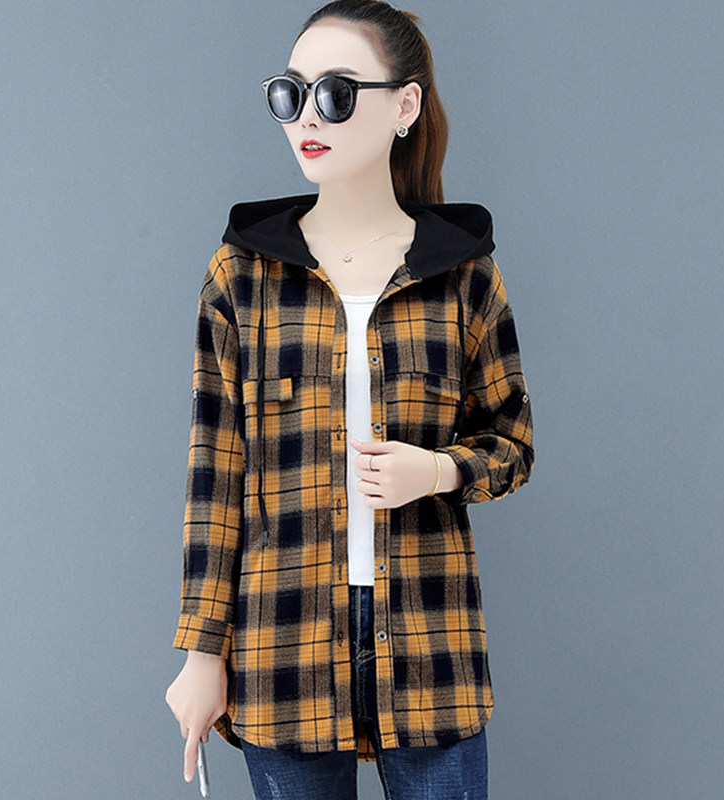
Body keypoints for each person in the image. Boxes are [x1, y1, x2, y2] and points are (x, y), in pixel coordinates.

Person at [165, 2, 534, 798]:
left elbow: (512, 444)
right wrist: (201, 654)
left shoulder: (463, 273)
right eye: (290, 93)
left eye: (335, 93)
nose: (307, 116)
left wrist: (436, 471)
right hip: (280, 644)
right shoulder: (242, 276)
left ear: (405, 105)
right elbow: (214, 478)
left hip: (432, 645)